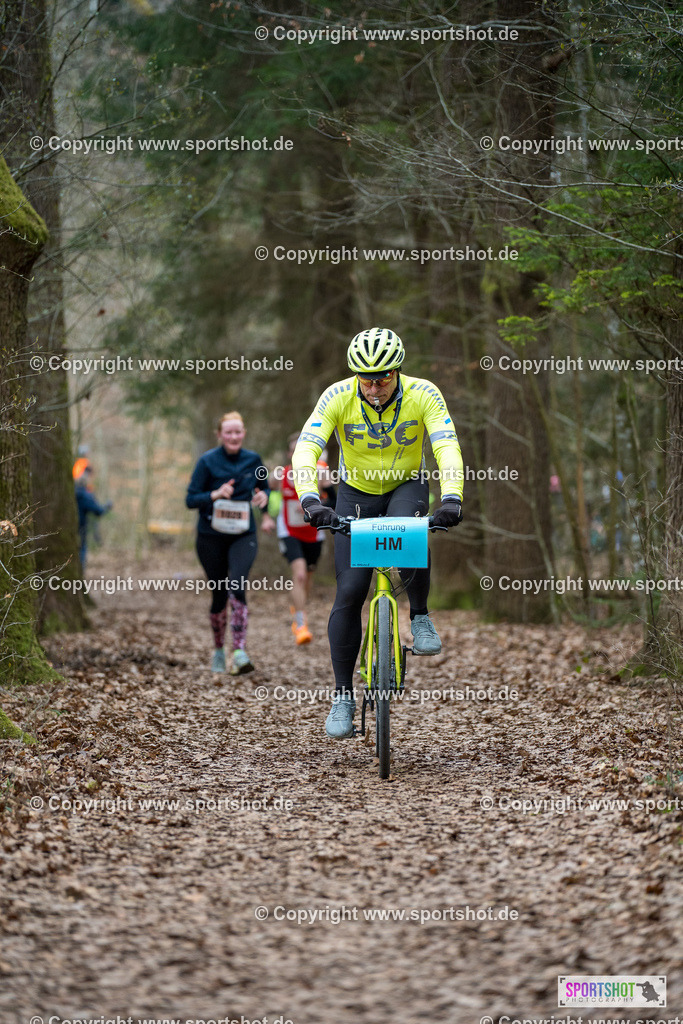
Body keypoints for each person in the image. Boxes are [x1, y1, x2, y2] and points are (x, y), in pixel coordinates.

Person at [291, 327, 464, 739]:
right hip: (355, 493)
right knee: (350, 591)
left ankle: (419, 617)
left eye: (383, 377)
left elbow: (446, 445)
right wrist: (311, 501)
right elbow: (306, 448)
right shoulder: (337, 396)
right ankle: (342, 696)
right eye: (365, 378)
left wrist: (452, 496)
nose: (374, 387)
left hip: (406, 485)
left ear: (398, 371)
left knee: (410, 535)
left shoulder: (424, 393)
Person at [186, 411, 270, 675]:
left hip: (243, 535)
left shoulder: (253, 459)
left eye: (238, 432)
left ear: (244, 433)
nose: (234, 436)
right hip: (210, 537)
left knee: (237, 585)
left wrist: (264, 500)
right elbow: (190, 499)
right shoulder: (207, 461)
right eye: (228, 432)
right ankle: (219, 650)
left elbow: (265, 488)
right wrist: (215, 493)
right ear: (220, 434)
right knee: (219, 594)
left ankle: (240, 651)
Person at [262, 433, 336, 645]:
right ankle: (301, 623)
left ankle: (298, 606)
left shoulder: (320, 473)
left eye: (301, 450)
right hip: (289, 531)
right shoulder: (280, 474)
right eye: (293, 450)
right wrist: (266, 516)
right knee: (300, 575)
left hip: (314, 533)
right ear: (288, 453)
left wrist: (318, 504)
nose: (297, 454)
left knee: (308, 578)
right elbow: (263, 492)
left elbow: (334, 498)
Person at [74, 465, 112, 570]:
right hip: (80, 526)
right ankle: (80, 571)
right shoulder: (84, 496)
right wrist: (107, 506)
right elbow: (98, 511)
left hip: (71, 526)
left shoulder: (75, 492)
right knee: (81, 549)